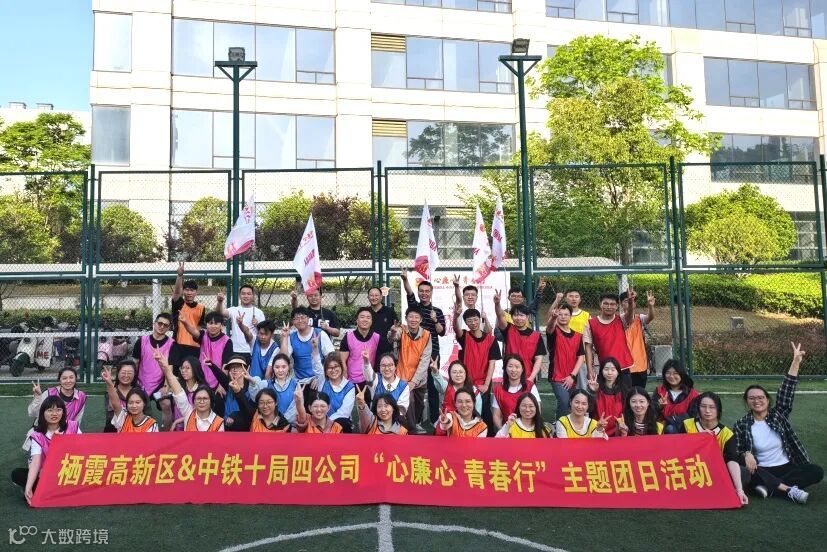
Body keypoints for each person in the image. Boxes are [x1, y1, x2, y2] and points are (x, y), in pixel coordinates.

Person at [734, 342, 823, 503]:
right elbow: (736, 450)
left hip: (787, 468)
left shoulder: (778, 415)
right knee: (746, 473)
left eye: (760, 397)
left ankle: (770, 488)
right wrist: (746, 454)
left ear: (768, 400)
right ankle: (786, 490)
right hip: (762, 469)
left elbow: (787, 390)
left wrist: (795, 362)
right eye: (752, 398)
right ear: (747, 402)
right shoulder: (741, 424)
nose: (757, 401)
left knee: (816, 471)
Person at [682, 391, 749, 506]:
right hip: (690, 469)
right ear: (698, 408)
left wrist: (739, 490)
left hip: (714, 472)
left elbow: (731, 460)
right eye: (703, 406)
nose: (707, 411)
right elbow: (679, 451)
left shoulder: (727, 434)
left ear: (718, 409)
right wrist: (699, 439)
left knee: (743, 473)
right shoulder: (687, 425)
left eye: (712, 407)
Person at [11, 397, 81, 505]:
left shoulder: (73, 426)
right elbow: (35, 461)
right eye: (50, 410)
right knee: (17, 474)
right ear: (43, 413)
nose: (54, 414)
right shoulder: (37, 435)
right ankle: (35, 490)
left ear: (63, 412)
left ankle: (52, 492)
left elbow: (83, 450)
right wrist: (28, 487)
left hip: (70, 473)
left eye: (58, 410)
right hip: (48, 476)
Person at [401, 268, 446, 426]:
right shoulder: (415, 308)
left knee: (432, 387)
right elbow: (409, 293)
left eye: (427, 291)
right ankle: (416, 421)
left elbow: (442, 332)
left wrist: (435, 320)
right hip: (414, 353)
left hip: (433, 353)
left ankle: (434, 420)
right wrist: (405, 279)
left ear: (431, 293)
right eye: (422, 291)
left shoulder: (437, 311)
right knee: (414, 386)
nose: (424, 294)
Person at [452, 305, 500, 430]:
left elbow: (492, 364)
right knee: (467, 410)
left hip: (483, 382)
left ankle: (489, 435)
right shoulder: (464, 336)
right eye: (469, 321)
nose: (473, 323)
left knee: (485, 411)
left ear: (480, 319)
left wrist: (486, 385)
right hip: (467, 382)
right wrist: (455, 316)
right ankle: (467, 433)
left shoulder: (491, 340)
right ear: (466, 323)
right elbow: (456, 328)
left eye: (475, 319)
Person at [388, 307, 431, 432]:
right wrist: (392, 332)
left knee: (419, 404)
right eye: (411, 317)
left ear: (421, 319)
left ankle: (413, 424)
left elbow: (425, 360)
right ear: (406, 318)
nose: (413, 320)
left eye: (416, 317)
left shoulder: (426, 335)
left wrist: (414, 381)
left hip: (419, 378)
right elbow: (392, 338)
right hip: (402, 376)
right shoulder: (401, 330)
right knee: (409, 401)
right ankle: (412, 430)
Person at [157, 352, 223, 432]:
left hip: (195, 427)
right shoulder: (179, 384)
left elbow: (195, 413)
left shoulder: (202, 390)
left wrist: (178, 421)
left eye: (187, 368)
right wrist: (161, 363)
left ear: (195, 369)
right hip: (177, 428)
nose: (183, 370)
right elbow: (170, 377)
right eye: (182, 368)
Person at [133, 312, 175, 429]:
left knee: (166, 404)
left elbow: (170, 368)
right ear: (154, 323)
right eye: (160, 323)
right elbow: (135, 364)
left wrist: (166, 386)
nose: (162, 326)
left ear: (169, 328)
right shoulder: (142, 341)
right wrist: (133, 384)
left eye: (165, 325)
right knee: (136, 405)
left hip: (160, 384)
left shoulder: (172, 344)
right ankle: (138, 432)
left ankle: (167, 434)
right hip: (141, 382)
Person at [546, 299, 585, 419]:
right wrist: (553, 318)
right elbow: (550, 327)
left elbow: (581, 357)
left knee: (569, 405)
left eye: (566, 314)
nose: (563, 317)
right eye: (560, 314)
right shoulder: (554, 332)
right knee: (564, 401)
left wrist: (572, 376)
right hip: (557, 377)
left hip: (571, 377)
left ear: (570, 316)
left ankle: (561, 423)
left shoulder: (578, 335)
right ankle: (559, 427)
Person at [494, 291, 546, 382]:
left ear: (527, 317)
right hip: (509, 376)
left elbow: (538, 359)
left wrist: (531, 378)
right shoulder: (508, 330)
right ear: (511, 317)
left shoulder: (536, 336)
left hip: (528, 376)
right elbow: (500, 316)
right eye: (515, 315)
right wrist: (497, 304)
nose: (518, 318)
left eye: (522, 315)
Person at [583, 291, 636, 380]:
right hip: (605, 369)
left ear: (617, 306)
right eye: (606, 304)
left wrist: (630, 302)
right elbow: (588, 348)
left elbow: (630, 316)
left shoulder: (622, 320)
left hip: (623, 367)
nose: (609, 307)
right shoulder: (590, 323)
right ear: (600, 304)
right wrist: (590, 369)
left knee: (626, 389)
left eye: (612, 304)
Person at [180, 311, 234, 395]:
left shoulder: (227, 341)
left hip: (218, 380)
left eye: (216, 323)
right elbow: (193, 331)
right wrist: (185, 322)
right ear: (206, 325)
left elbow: (226, 365)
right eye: (210, 323)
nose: (213, 326)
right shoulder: (203, 335)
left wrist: (221, 385)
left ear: (222, 325)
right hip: (201, 378)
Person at [281, 307, 334, 384]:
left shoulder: (320, 334)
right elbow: (282, 358)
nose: (300, 321)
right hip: (299, 380)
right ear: (293, 321)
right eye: (296, 318)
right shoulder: (292, 337)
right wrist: (285, 337)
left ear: (308, 319)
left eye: (303, 317)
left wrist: (322, 377)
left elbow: (331, 358)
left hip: (319, 378)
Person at [338, 307, 381, 400]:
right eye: (362, 317)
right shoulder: (348, 337)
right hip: (352, 380)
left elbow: (379, 359)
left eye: (368, 317)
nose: (365, 319)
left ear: (372, 321)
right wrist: (345, 381)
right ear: (357, 320)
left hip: (370, 379)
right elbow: (342, 361)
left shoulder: (377, 337)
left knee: (369, 406)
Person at [491, 354, 540, 431]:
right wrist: (504, 431)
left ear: (522, 369)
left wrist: (529, 430)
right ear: (505, 368)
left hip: (528, 429)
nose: (513, 370)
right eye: (510, 366)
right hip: (507, 429)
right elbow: (497, 416)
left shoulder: (530, 386)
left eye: (517, 367)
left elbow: (538, 410)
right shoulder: (498, 389)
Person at [101, 368, 159, 432]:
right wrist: (109, 382)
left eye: (137, 402)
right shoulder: (123, 417)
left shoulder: (151, 423)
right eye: (130, 403)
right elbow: (115, 403)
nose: (134, 406)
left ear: (144, 403)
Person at [586, 357, 632, 437]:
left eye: (613, 370)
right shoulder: (596, 388)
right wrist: (592, 392)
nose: (609, 373)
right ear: (601, 371)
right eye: (606, 369)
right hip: (598, 430)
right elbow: (589, 409)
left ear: (618, 372)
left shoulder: (624, 391)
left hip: (619, 431)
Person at [220, 284, 265, 365]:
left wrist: (257, 325)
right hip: (235, 349)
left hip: (252, 350)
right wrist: (220, 302)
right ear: (239, 295)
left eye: (249, 294)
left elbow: (264, 332)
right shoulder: (234, 310)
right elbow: (221, 312)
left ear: (253, 296)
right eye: (243, 293)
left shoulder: (259, 312)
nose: (246, 296)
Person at [170, 263, 206, 363]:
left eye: (192, 290)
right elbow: (177, 292)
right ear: (183, 291)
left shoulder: (201, 307)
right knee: (177, 370)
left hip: (195, 346)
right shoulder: (179, 304)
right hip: (178, 345)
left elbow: (199, 327)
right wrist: (179, 275)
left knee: (193, 370)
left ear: (196, 292)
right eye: (187, 290)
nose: (189, 293)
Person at [620, 289, 656, 388]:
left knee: (640, 392)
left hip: (640, 364)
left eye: (632, 301)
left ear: (635, 303)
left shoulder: (639, 318)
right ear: (621, 304)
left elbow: (650, 317)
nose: (630, 302)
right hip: (624, 365)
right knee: (626, 393)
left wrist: (651, 306)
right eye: (627, 301)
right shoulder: (619, 319)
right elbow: (629, 317)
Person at [252, 353, 300, 426]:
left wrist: (281, 421)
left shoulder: (296, 384)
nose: (280, 370)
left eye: (284, 367)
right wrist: (252, 382)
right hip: (269, 425)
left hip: (290, 426)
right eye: (277, 367)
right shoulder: (266, 384)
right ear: (273, 368)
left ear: (288, 367)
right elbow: (255, 398)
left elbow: (295, 408)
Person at [312, 352, 356, 433]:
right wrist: (315, 349)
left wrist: (327, 423)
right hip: (321, 422)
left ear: (341, 367)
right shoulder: (323, 381)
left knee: (343, 421)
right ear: (325, 371)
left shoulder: (349, 387)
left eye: (336, 366)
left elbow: (344, 412)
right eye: (329, 368)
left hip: (341, 424)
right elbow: (317, 366)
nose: (333, 370)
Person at [655, 359, 700, 434]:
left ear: (682, 374)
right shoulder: (659, 391)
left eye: (675, 373)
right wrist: (660, 406)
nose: (671, 376)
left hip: (684, 430)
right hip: (662, 431)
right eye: (668, 373)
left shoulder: (693, 394)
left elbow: (692, 416)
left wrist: (668, 420)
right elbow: (651, 413)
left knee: (670, 428)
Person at [363, 353, 410, 419]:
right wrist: (366, 362)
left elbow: (402, 410)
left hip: (394, 421)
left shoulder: (403, 386)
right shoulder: (376, 379)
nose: (387, 369)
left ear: (395, 366)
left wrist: (387, 419)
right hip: (375, 419)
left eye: (390, 365)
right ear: (379, 367)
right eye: (383, 365)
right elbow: (368, 374)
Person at [103, 359, 138, 432]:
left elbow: (147, 413)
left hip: (137, 429)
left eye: (129, 373)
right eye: (123, 372)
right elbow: (113, 407)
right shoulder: (111, 391)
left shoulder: (140, 391)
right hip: (114, 430)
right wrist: (109, 383)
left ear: (134, 374)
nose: (126, 375)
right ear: (118, 373)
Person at [366, 286, 397, 357]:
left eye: (376, 295)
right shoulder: (365, 312)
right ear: (368, 297)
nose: (374, 298)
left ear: (381, 297)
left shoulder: (390, 312)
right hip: (368, 350)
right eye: (371, 295)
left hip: (386, 351)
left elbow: (396, 328)